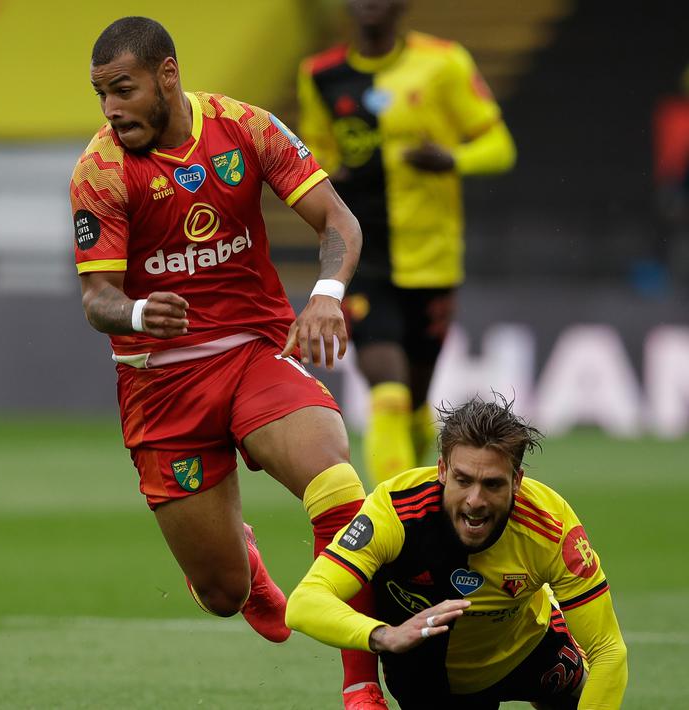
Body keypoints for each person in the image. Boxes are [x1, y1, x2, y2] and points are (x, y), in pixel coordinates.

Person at [72, 16, 388, 709]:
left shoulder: (246, 128)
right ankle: (239, 560)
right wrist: (136, 313)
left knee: (334, 480)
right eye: (101, 95)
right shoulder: (100, 170)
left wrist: (326, 295)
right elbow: (97, 298)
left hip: (254, 351)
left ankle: (361, 686)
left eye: (122, 90)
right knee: (223, 593)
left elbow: (338, 222)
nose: (110, 109)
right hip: (161, 385)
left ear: (167, 75)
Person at [296, 0, 516, 486]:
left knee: (415, 404)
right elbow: (315, 157)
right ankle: (395, 512)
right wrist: (332, 173)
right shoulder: (320, 75)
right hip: (363, 258)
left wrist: (452, 160)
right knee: (388, 393)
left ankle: (420, 487)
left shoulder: (444, 62)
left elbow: (500, 146)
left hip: (432, 260)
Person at [286, 395, 627, 708]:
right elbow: (304, 603)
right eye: (463, 480)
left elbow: (608, 651)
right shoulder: (394, 512)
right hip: (430, 675)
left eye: (492, 484)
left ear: (517, 481)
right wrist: (384, 635)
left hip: (530, 649)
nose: (475, 501)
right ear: (442, 470)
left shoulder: (551, 526)